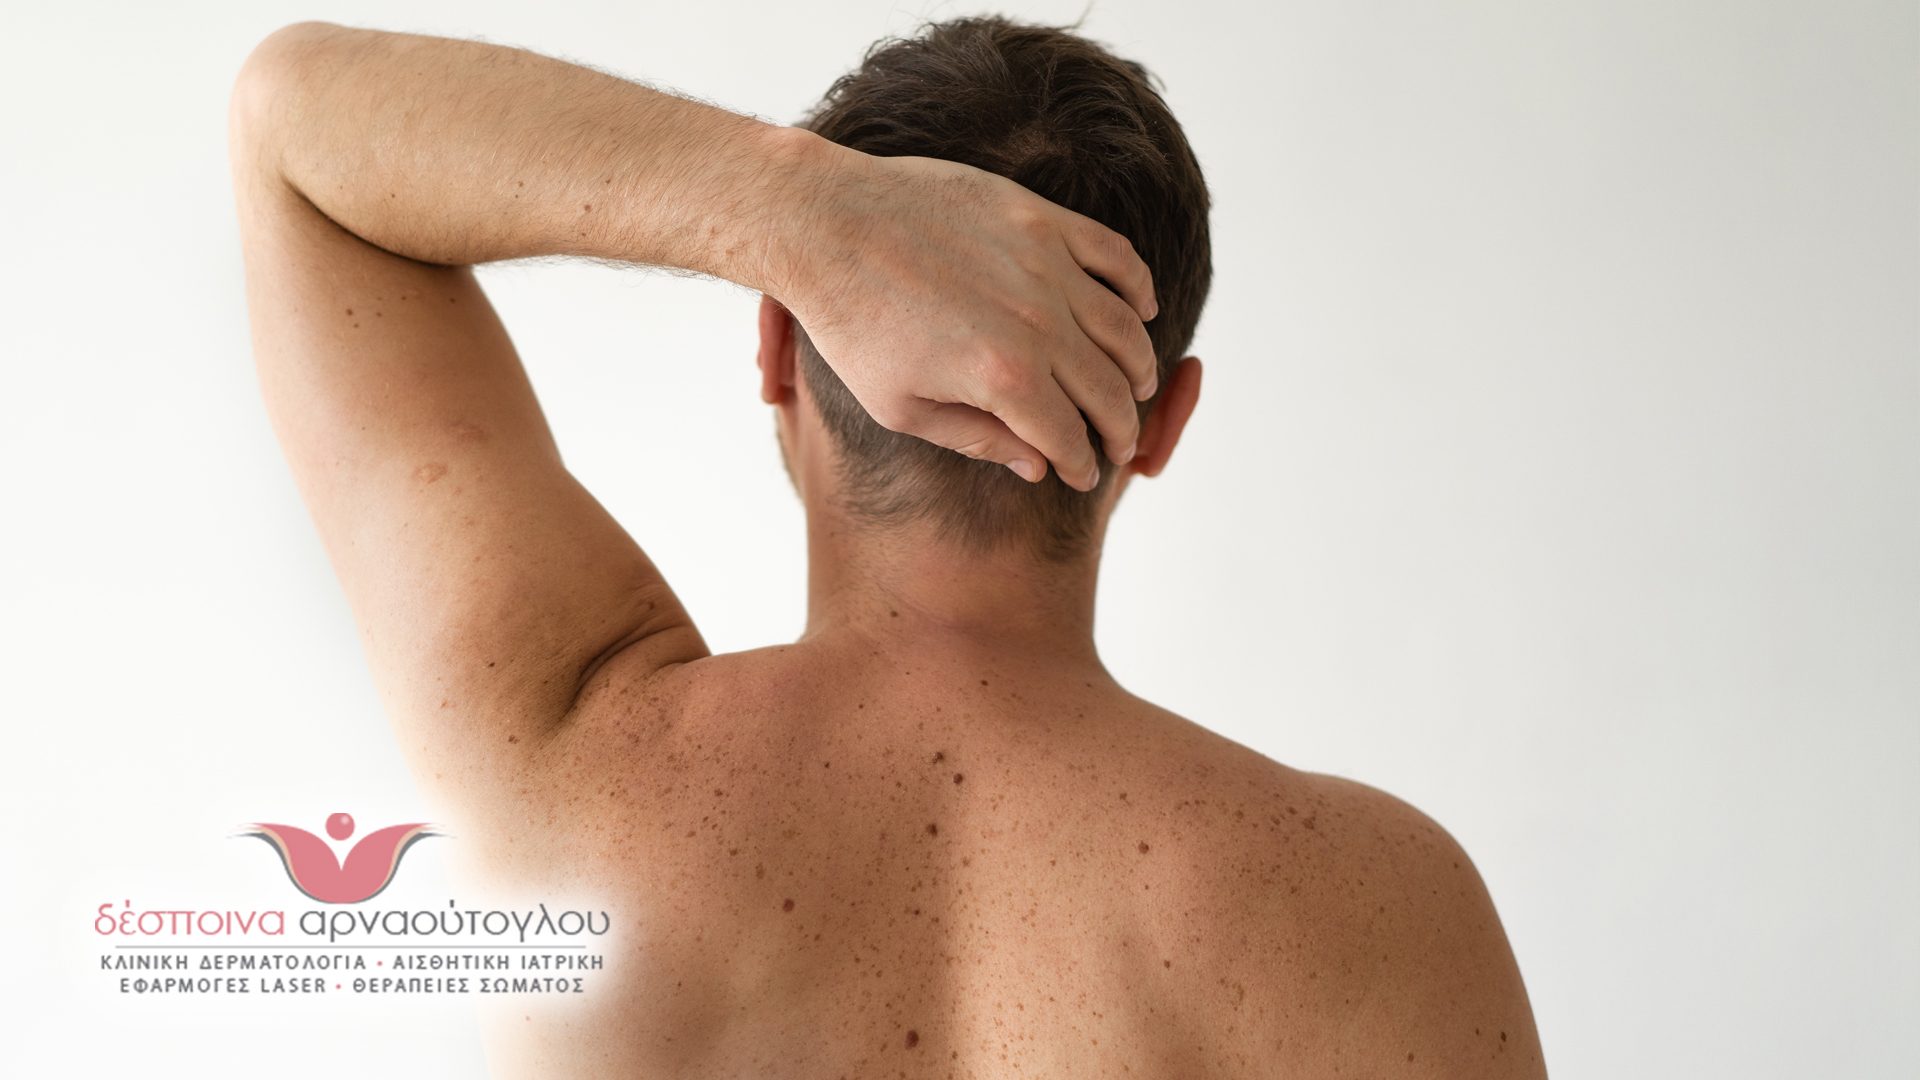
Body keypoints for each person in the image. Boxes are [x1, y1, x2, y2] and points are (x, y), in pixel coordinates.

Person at [230, 16, 1545, 1077]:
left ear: (777, 347)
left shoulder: (567, 745)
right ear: (1164, 423)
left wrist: (791, 213)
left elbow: (293, 123)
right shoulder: (1379, 908)